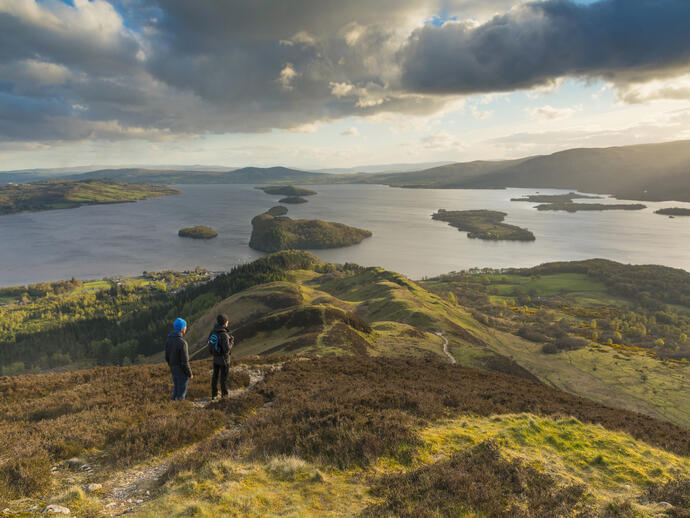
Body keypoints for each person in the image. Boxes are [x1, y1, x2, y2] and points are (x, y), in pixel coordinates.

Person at [165, 317, 193, 401]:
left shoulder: (169, 340)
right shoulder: (182, 343)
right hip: (181, 371)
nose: (186, 328)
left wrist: (171, 365)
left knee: (176, 389)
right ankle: (179, 408)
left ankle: (173, 407)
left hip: (173, 368)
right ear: (182, 328)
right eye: (185, 326)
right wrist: (189, 373)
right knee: (181, 393)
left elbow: (167, 356)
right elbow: (185, 362)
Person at [208, 313, 234, 399]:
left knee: (215, 377)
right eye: (227, 321)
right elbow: (227, 349)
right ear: (225, 322)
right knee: (223, 379)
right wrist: (231, 342)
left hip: (216, 359)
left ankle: (214, 394)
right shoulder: (224, 334)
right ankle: (224, 396)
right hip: (224, 360)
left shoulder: (213, 332)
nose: (228, 323)